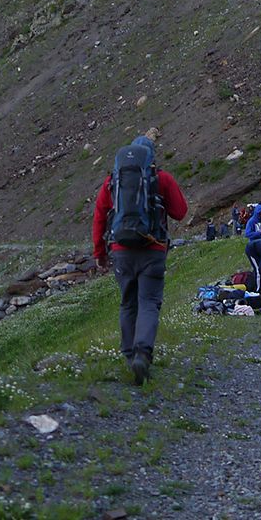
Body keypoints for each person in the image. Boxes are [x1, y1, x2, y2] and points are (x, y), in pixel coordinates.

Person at [92, 133, 188, 385]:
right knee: (148, 302)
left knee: (127, 303)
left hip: (121, 250)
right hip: (152, 249)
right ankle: (142, 354)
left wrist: (99, 253)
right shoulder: (161, 178)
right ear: (151, 157)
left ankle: (128, 355)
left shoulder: (113, 181)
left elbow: (100, 217)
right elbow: (180, 212)